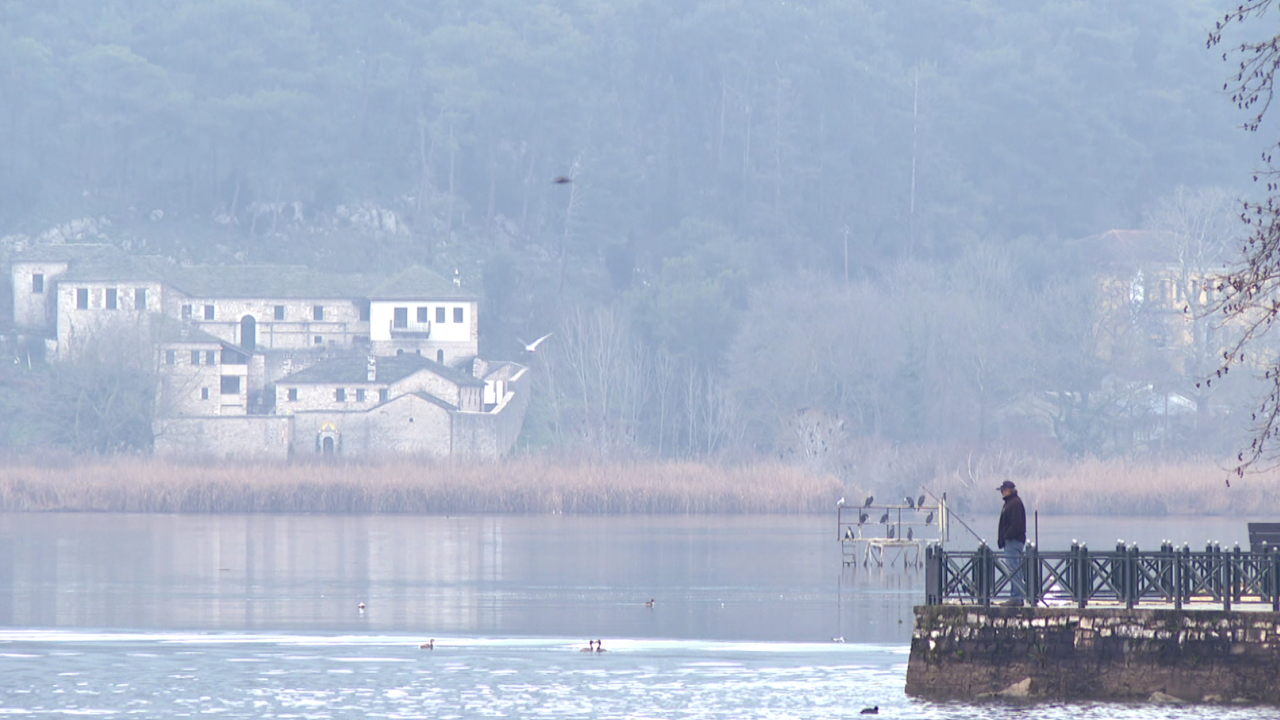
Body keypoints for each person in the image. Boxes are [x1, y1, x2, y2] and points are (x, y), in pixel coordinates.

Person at [996, 480, 1027, 606]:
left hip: (1013, 542)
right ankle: (1018, 596)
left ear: (1009, 490)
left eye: (1003, 490)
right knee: (1015, 569)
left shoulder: (1014, 504)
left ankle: (1016, 597)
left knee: (1013, 570)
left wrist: (1006, 536)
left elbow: (1016, 525)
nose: (1002, 493)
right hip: (1013, 541)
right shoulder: (1011, 503)